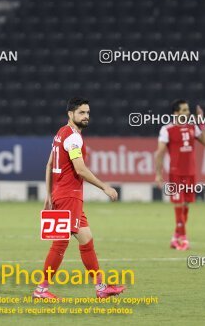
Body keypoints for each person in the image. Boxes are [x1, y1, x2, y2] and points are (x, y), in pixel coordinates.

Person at [33, 97, 126, 299]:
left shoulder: (61, 133)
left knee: (86, 240)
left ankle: (101, 288)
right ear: (70, 114)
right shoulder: (73, 137)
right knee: (60, 244)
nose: (86, 116)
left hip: (63, 195)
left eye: (88, 113)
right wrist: (104, 187)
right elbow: (80, 169)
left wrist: (48, 195)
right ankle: (41, 290)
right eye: (81, 113)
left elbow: (49, 165)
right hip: (69, 196)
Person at [155, 100, 205, 250]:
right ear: (176, 113)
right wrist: (158, 174)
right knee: (179, 204)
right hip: (176, 173)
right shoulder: (167, 129)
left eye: (188, 110)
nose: (188, 112)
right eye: (184, 110)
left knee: (185, 206)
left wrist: (202, 123)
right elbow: (159, 153)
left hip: (191, 173)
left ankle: (175, 237)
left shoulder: (193, 126)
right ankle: (184, 239)